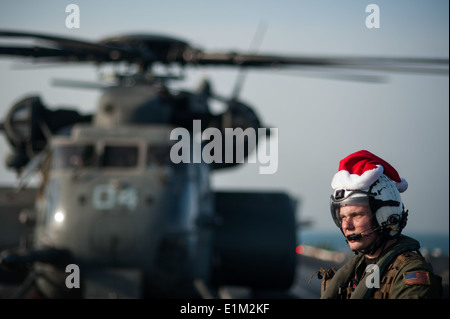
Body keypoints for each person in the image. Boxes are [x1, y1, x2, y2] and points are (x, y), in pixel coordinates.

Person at [318, 150, 442, 299]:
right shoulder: (355, 271)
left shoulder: (411, 275)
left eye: (356, 215)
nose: (346, 225)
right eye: (342, 217)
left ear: (386, 216)